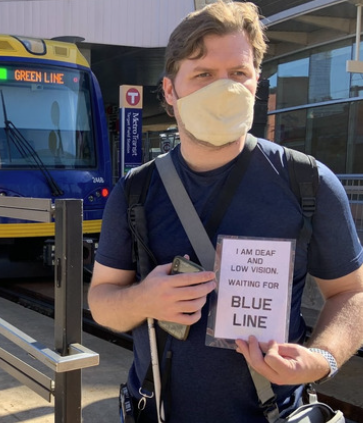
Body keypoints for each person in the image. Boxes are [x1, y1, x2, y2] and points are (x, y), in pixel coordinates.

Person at [88, 1, 363, 422]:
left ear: (257, 83)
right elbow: (102, 302)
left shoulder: (308, 182)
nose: (225, 89)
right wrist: (144, 299)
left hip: (275, 414)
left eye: (239, 74)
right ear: (169, 91)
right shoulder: (136, 190)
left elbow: (351, 292)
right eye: (203, 74)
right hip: (155, 412)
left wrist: (321, 358)